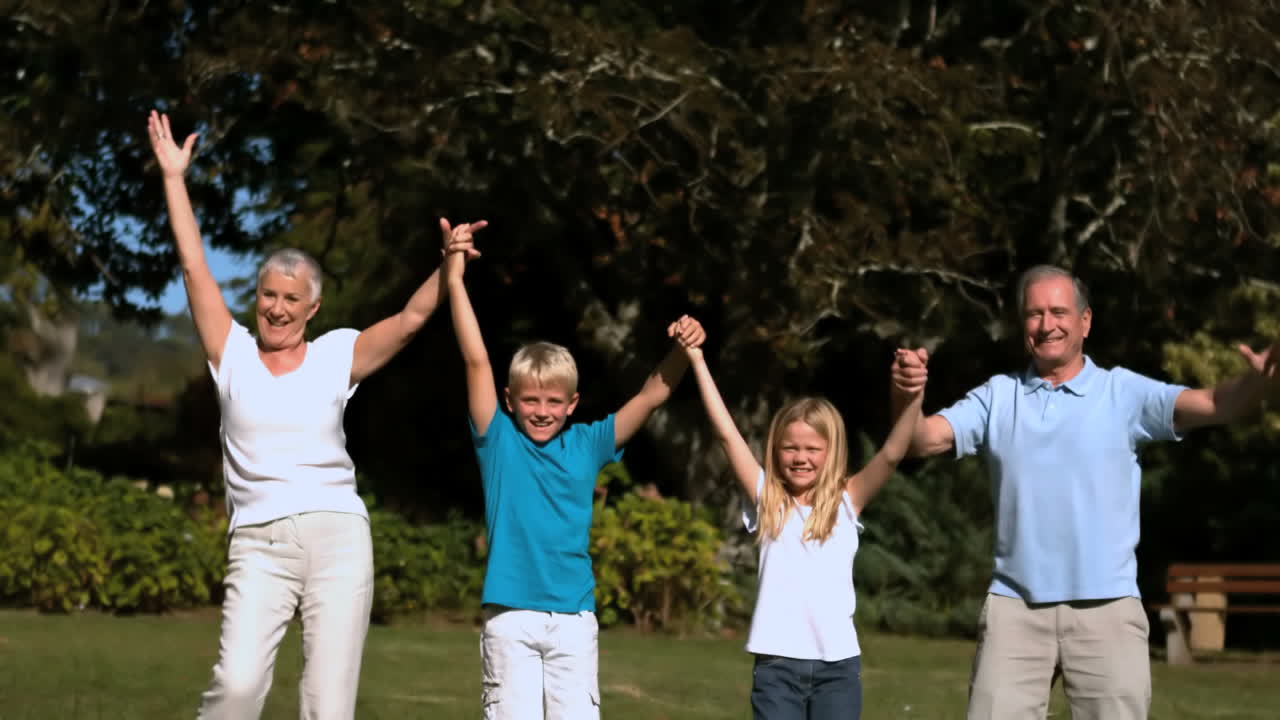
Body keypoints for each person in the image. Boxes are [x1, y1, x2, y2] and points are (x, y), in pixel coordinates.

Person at [147, 110, 481, 720]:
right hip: (258, 543)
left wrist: (447, 265)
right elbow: (195, 268)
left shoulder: (335, 355)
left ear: (313, 306)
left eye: (290, 298)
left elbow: (408, 322)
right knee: (238, 689)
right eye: (268, 294)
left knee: (328, 708)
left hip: (338, 539)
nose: (276, 308)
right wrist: (174, 177)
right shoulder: (233, 352)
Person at [890, 264, 1276, 720]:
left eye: (1058, 311)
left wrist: (1260, 379)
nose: (1046, 324)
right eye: (1034, 314)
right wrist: (907, 394)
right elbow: (918, 440)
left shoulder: (1122, 393)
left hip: (1107, 610)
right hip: (1015, 610)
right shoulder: (998, 396)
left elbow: (1217, 404)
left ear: (1085, 321)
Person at [441, 222, 705, 720]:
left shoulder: (588, 444)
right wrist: (454, 279)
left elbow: (652, 394)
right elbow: (476, 360)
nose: (541, 410)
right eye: (531, 400)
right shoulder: (497, 441)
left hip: (573, 621)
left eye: (554, 401)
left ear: (572, 404)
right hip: (510, 619)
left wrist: (681, 350)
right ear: (510, 401)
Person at [680, 338, 923, 719]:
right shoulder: (767, 499)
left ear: (831, 451)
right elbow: (727, 434)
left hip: (837, 669)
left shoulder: (848, 500)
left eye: (813, 449)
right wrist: (695, 359)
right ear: (775, 450)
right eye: (790, 448)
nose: (800, 458)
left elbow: (893, 451)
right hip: (777, 668)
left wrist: (913, 394)